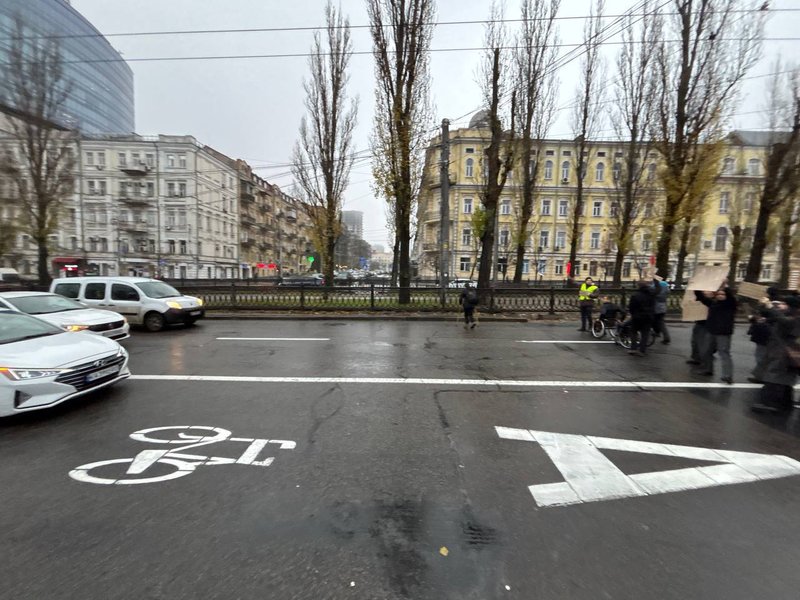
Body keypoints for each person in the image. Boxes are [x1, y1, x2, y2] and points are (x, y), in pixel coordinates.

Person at [751, 296, 800, 414]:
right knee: (783, 379)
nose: (780, 306)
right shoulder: (788, 315)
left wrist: (771, 307)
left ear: (791, 306)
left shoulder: (794, 318)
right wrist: (763, 309)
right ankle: (785, 403)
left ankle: (772, 404)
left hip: (786, 353)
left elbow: (785, 321)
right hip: (783, 352)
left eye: (784, 304)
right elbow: (774, 318)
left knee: (775, 377)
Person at [694, 285, 737, 384]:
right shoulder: (713, 303)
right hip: (711, 331)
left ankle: (727, 375)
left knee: (724, 353)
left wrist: (724, 286)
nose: (720, 295)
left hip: (723, 333)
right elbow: (701, 297)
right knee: (706, 351)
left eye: (723, 294)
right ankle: (708, 369)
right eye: (719, 294)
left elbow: (731, 296)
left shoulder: (730, 304)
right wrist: (696, 286)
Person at [627, 281, 655, 356]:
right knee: (645, 334)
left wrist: (633, 314)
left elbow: (631, 307)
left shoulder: (635, 295)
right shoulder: (651, 295)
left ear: (638, 286)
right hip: (648, 316)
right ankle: (642, 350)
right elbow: (653, 305)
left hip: (637, 317)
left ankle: (633, 348)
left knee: (633, 332)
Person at [746, 310, 772, 383]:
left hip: (764, 340)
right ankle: (761, 376)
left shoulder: (765, 320)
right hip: (763, 340)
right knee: (761, 358)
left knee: (761, 358)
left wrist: (755, 321)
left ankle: (762, 377)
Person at [651, 277, 671, 344]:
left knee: (658, 322)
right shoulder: (665, 285)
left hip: (655, 306)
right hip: (663, 306)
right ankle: (657, 332)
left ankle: (666, 337)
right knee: (659, 321)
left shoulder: (654, 287)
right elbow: (668, 292)